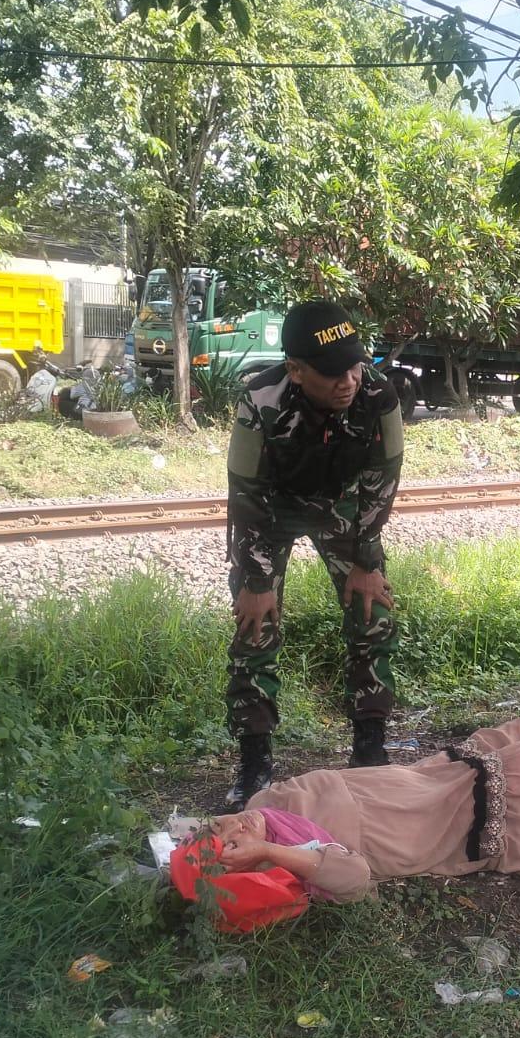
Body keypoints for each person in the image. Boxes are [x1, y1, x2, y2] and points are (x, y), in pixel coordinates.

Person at [225, 301, 404, 805]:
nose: (348, 380)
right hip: (270, 512)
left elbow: (382, 480)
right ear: (296, 370)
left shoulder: (377, 393)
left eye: (353, 365)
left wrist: (367, 560)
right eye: (331, 373)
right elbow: (246, 495)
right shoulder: (259, 399)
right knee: (252, 628)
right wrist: (257, 582)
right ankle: (254, 762)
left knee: (373, 613)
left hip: (342, 508)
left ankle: (370, 750)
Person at [190, 715, 520, 906]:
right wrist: (268, 852)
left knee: (511, 750)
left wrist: (215, 830)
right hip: (417, 824)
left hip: (412, 784)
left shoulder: (262, 807)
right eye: (233, 842)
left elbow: (193, 835)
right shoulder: (289, 863)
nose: (235, 825)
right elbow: (353, 879)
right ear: (245, 862)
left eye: (222, 826)